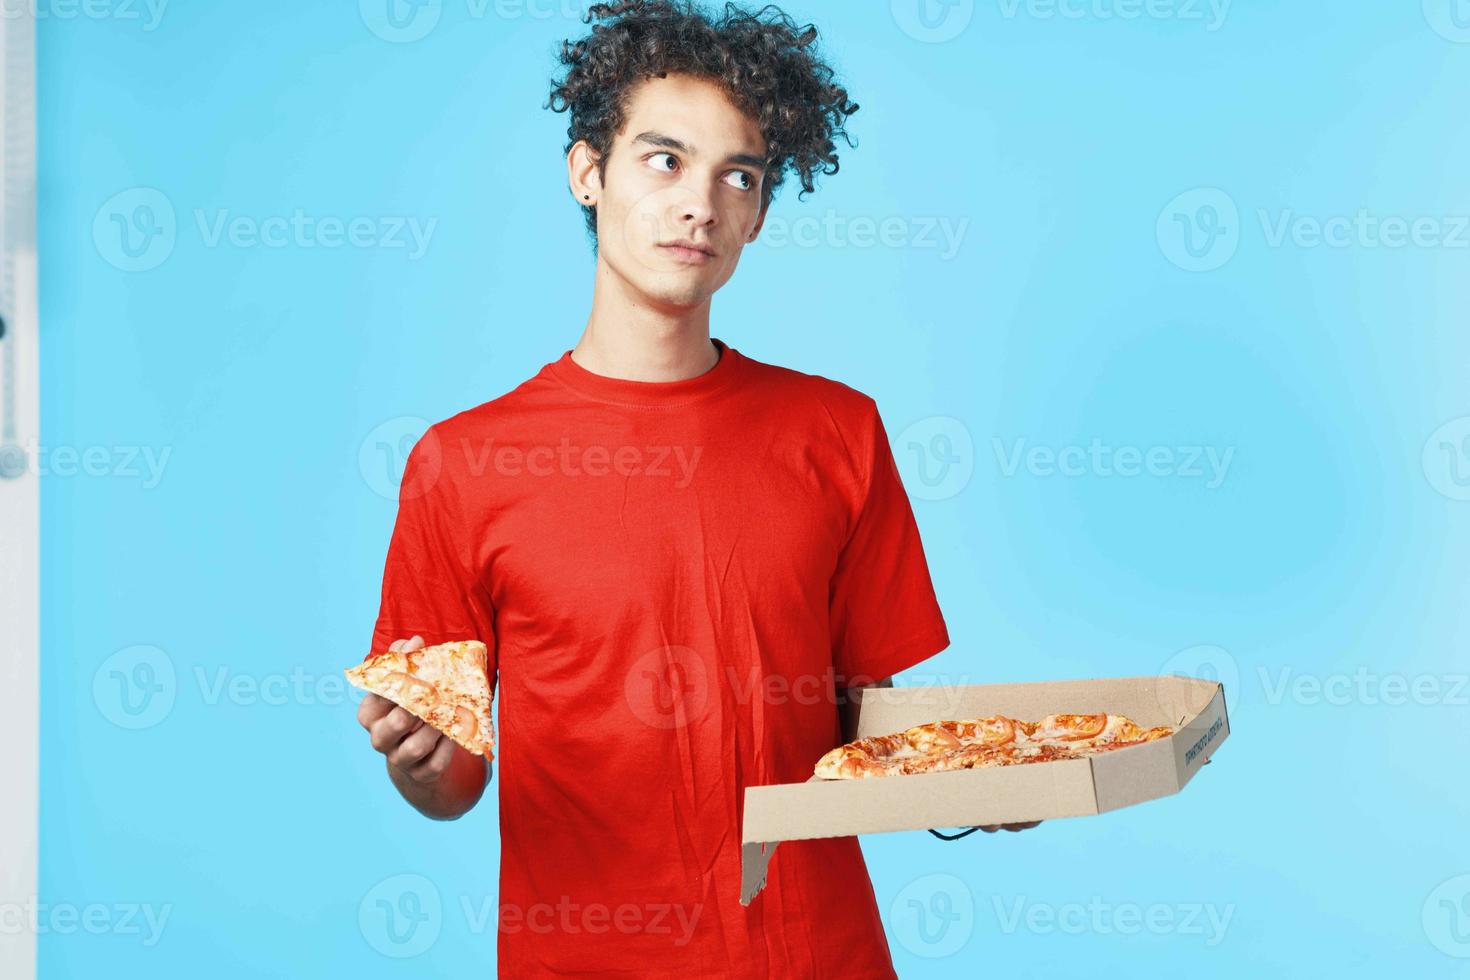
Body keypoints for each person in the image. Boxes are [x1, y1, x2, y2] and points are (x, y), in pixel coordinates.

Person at [354, 2, 1030, 975]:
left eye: (738, 175)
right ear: (589, 172)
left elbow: (862, 727)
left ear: (759, 211)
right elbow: (455, 778)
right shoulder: (464, 463)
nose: (699, 204)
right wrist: (418, 761)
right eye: (664, 159)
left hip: (815, 954)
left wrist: (970, 779)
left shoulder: (837, 433)